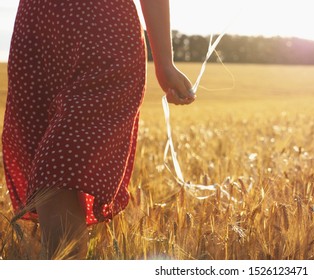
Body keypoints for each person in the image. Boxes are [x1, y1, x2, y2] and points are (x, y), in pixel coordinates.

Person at [2, 0, 194, 259]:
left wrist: (164, 62)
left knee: (56, 168)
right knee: (42, 176)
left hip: (105, 39)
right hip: (37, 40)